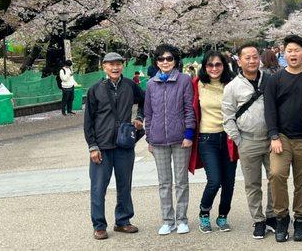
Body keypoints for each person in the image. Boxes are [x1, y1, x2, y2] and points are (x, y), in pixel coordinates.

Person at [264, 34, 302, 243]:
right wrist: (273, 136)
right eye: (289, 50)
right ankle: (281, 217)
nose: (293, 54)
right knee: (277, 174)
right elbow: (269, 109)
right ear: (283, 53)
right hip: (282, 137)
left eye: (297, 50)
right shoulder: (274, 79)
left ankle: (300, 219)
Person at [83, 52, 145, 240]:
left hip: (124, 143)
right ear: (104, 67)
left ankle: (123, 221)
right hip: (102, 145)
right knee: (98, 187)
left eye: (118, 63)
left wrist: (140, 118)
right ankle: (99, 225)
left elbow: (145, 101)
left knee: (124, 184)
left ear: (123, 66)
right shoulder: (95, 89)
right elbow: (88, 121)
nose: (115, 67)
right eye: (111, 64)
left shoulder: (130, 86)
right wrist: (92, 146)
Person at [222, 43, 277, 239]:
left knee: (275, 179)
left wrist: (276, 135)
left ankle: (272, 216)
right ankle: (259, 220)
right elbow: (227, 116)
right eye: (248, 57)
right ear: (239, 60)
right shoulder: (232, 87)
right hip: (247, 141)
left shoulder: (270, 80)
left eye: (255, 57)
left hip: (272, 139)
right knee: (252, 184)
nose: (252, 61)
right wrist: (238, 140)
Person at [144, 44, 196, 235]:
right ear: (156, 62)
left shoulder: (184, 80)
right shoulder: (151, 84)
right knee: (164, 182)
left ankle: (182, 219)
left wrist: (189, 134)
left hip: (181, 139)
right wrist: (149, 138)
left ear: (175, 60)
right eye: (161, 59)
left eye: (169, 58)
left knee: (181, 181)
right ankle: (168, 220)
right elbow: (148, 113)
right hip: (157, 140)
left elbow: (189, 109)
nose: (165, 62)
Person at [189, 51, 238, 233]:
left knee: (229, 181)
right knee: (214, 180)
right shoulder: (197, 84)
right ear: (204, 66)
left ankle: (223, 216)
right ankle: (204, 212)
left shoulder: (231, 85)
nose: (214, 68)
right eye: (210, 65)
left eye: (218, 64)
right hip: (206, 138)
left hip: (228, 138)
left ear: (224, 66)